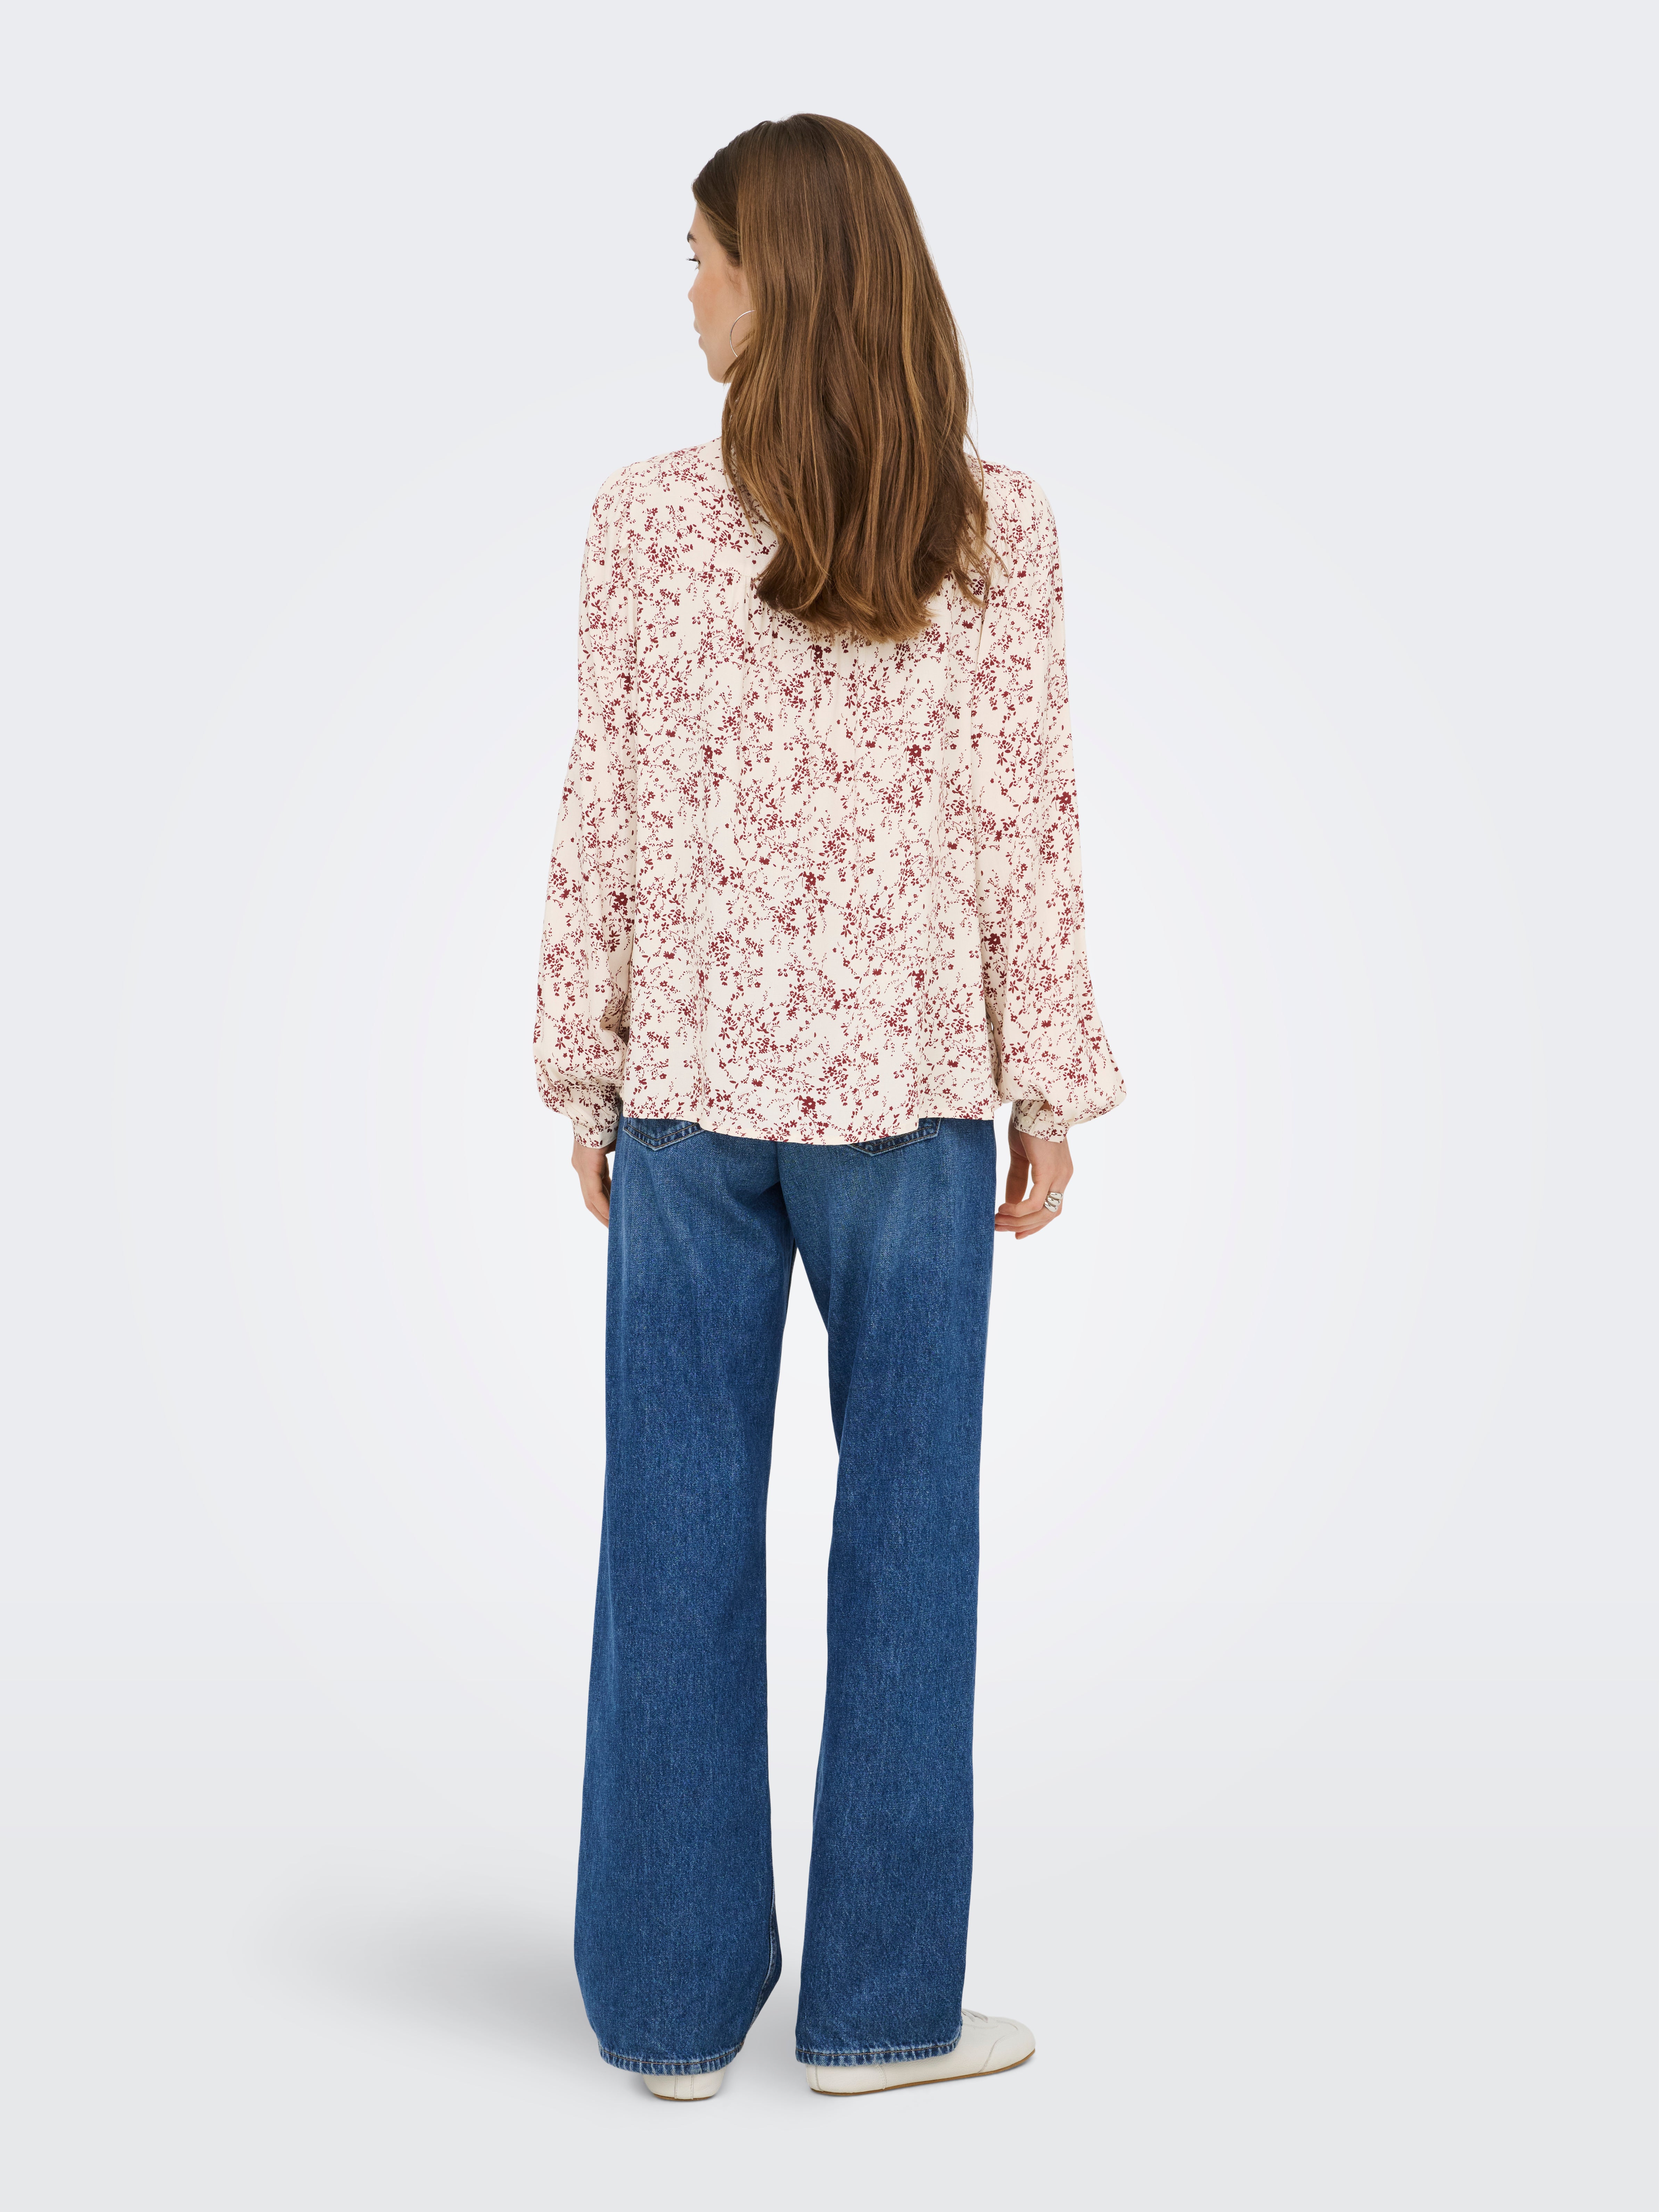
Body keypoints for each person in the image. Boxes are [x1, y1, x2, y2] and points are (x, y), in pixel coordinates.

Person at [533, 114, 1123, 2100]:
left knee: (672, 1539)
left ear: (778, 274)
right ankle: (881, 2016)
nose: (687, 290)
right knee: (910, 1544)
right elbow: (1025, 832)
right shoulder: (994, 523)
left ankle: (669, 2014)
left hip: (694, 1103)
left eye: (701, 254)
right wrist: (1046, 1083)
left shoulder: (642, 520)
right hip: (912, 1106)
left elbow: (603, 815)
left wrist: (586, 1065)